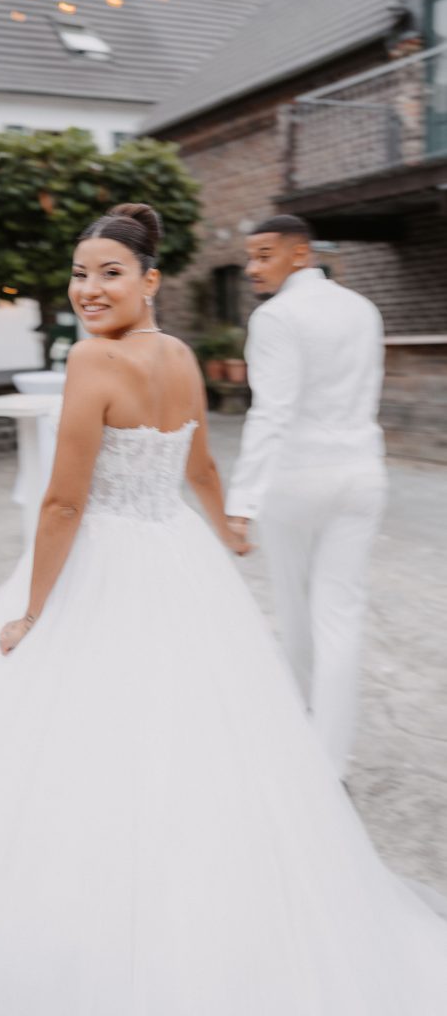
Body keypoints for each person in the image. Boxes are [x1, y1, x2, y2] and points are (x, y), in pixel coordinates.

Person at [0, 204, 447, 1016]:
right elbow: (202, 465)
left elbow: (63, 504)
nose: (89, 289)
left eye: (109, 272)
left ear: (149, 280)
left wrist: (31, 614)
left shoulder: (91, 365)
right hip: (176, 554)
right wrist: (223, 530)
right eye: (79, 274)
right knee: (197, 740)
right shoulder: (178, 356)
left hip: (108, 556)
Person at [226, 214, 387, 779]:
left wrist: (241, 500)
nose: (252, 267)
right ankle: (332, 765)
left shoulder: (276, 318)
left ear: (300, 254)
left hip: (297, 479)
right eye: (250, 256)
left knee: (298, 617)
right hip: (361, 474)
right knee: (341, 618)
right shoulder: (363, 310)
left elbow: (272, 412)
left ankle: (299, 750)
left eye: (264, 255)